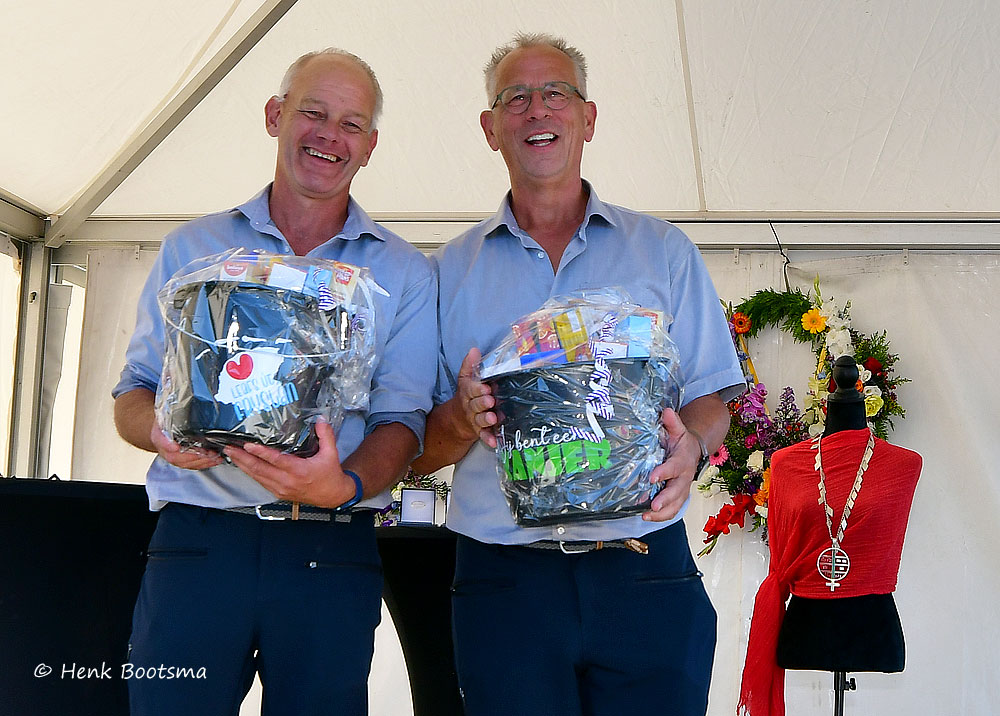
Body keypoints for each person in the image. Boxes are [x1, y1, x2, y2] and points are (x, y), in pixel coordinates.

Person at [413, 33, 745, 716]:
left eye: (556, 93)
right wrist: (460, 419)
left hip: (643, 565)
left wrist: (692, 447)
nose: (538, 110)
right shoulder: (445, 272)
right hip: (505, 581)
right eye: (516, 98)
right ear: (490, 127)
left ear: (587, 118)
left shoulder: (663, 251)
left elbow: (712, 394)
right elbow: (415, 449)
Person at [112, 48, 436, 716]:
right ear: (274, 115)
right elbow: (134, 391)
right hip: (200, 539)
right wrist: (161, 432)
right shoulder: (192, 249)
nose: (329, 136)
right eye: (313, 113)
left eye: (351, 124)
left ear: (370, 146)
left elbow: (404, 420)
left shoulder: (404, 272)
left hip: (331, 544)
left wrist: (344, 485)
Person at [738, 357, 921, 716]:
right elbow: (781, 551)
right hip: (806, 626)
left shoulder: (905, 464)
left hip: (873, 627)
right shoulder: (786, 464)